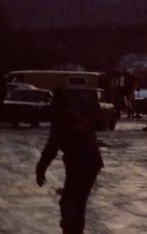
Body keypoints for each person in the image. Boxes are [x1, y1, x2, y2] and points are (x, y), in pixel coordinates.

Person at [36, 89, 104, 234]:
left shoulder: (61, 119)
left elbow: (52, 147)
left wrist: (41, 168)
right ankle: (76, 230)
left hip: (79, 163)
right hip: (92, 162)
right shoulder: (78, 114)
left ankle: (71, 231)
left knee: (69, 201)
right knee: (78, 200)